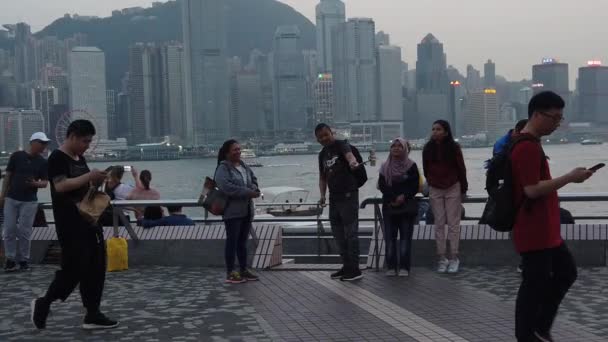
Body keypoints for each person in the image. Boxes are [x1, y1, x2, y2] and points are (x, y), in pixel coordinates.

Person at [512, 91, 595, 342]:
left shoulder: (531, 144)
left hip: (546, 229)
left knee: (564, 272)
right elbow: (531, 189)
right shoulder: (526, 147)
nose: (557, 124)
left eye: (560, 118)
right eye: (554, 118)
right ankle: (528, 334)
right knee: (533, 286)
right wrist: (570, 177)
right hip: (533, 229)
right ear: (537, 114)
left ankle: (538, 327)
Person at [31, 120, 118, 330]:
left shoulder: (80, 158)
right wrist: (89, 176)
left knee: (96, 267)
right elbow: (60, 186)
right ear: (72, 137)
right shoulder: (57, 158)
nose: (87, 145)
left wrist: (95, 181)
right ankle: (44, 302)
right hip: (70, 223)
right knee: (74, 268)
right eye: (85, 141)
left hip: (89, 219)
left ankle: (93, 313)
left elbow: (82, 184)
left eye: (89, 141)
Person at [315, 123, 363, 281]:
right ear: (317, 139)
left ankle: (355, 269)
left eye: (326, 134)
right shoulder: (322, 154)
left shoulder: (342, 145)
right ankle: (346, 266)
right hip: (333, 198)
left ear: (332, 132)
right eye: (320, 136)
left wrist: (352, 162)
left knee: (351, 233)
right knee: (338, 234)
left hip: (348, 195)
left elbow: (350, 156)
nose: (324, 138)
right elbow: (322, 177)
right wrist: (322, 195)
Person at [422, 120, 468, 274]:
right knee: (439, 224)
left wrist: (464, 188)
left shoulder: (454, 147)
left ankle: (454, 257)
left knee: (454, 224)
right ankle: (442, 258)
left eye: (439, 129)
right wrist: (431, 182)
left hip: (453, 186)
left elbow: (461, 167)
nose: (435, 131)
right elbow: (426, 168)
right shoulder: (428, 148)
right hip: (435, 188)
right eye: (433, 129)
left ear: (446, 132)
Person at [1, 132, 50, 272]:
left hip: (29, 201)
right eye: (42, 143)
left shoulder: (43, 162)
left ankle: (24, 259)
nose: (44, 146)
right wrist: (2, 196)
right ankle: (10, 259)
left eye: (45, 144)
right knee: (9, 229)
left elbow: (45, 183)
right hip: (11, 198)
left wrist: (35, 184)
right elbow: (8, 176)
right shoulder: (17, 156)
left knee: (24, 231)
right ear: (33, 142)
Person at [215, 139, 260, 284]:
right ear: (227, 152)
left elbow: (253, 179)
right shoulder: (223, 168)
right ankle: (230, 272)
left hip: (247, 210)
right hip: (232, 212)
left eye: (239, 149)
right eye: (235, 149)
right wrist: (248, 192)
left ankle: (243, 269)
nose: (238, 152)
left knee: (242, 242)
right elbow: (226, 187)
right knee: (232, 242)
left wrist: (254, 188)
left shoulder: (243, 165)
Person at [378, 138, 420, 277]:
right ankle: (391, 267)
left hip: (406, 206)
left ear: (405, 149)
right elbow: (383, 185)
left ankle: (404, 267)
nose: (396, 148)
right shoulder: (384, 167)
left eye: (399, 146)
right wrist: (393, 198)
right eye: (393, 146)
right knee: (390, 238)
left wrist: (403, 196)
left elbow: (414, 186)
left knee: (405, 239)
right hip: (389, 206)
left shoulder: (411, 165)